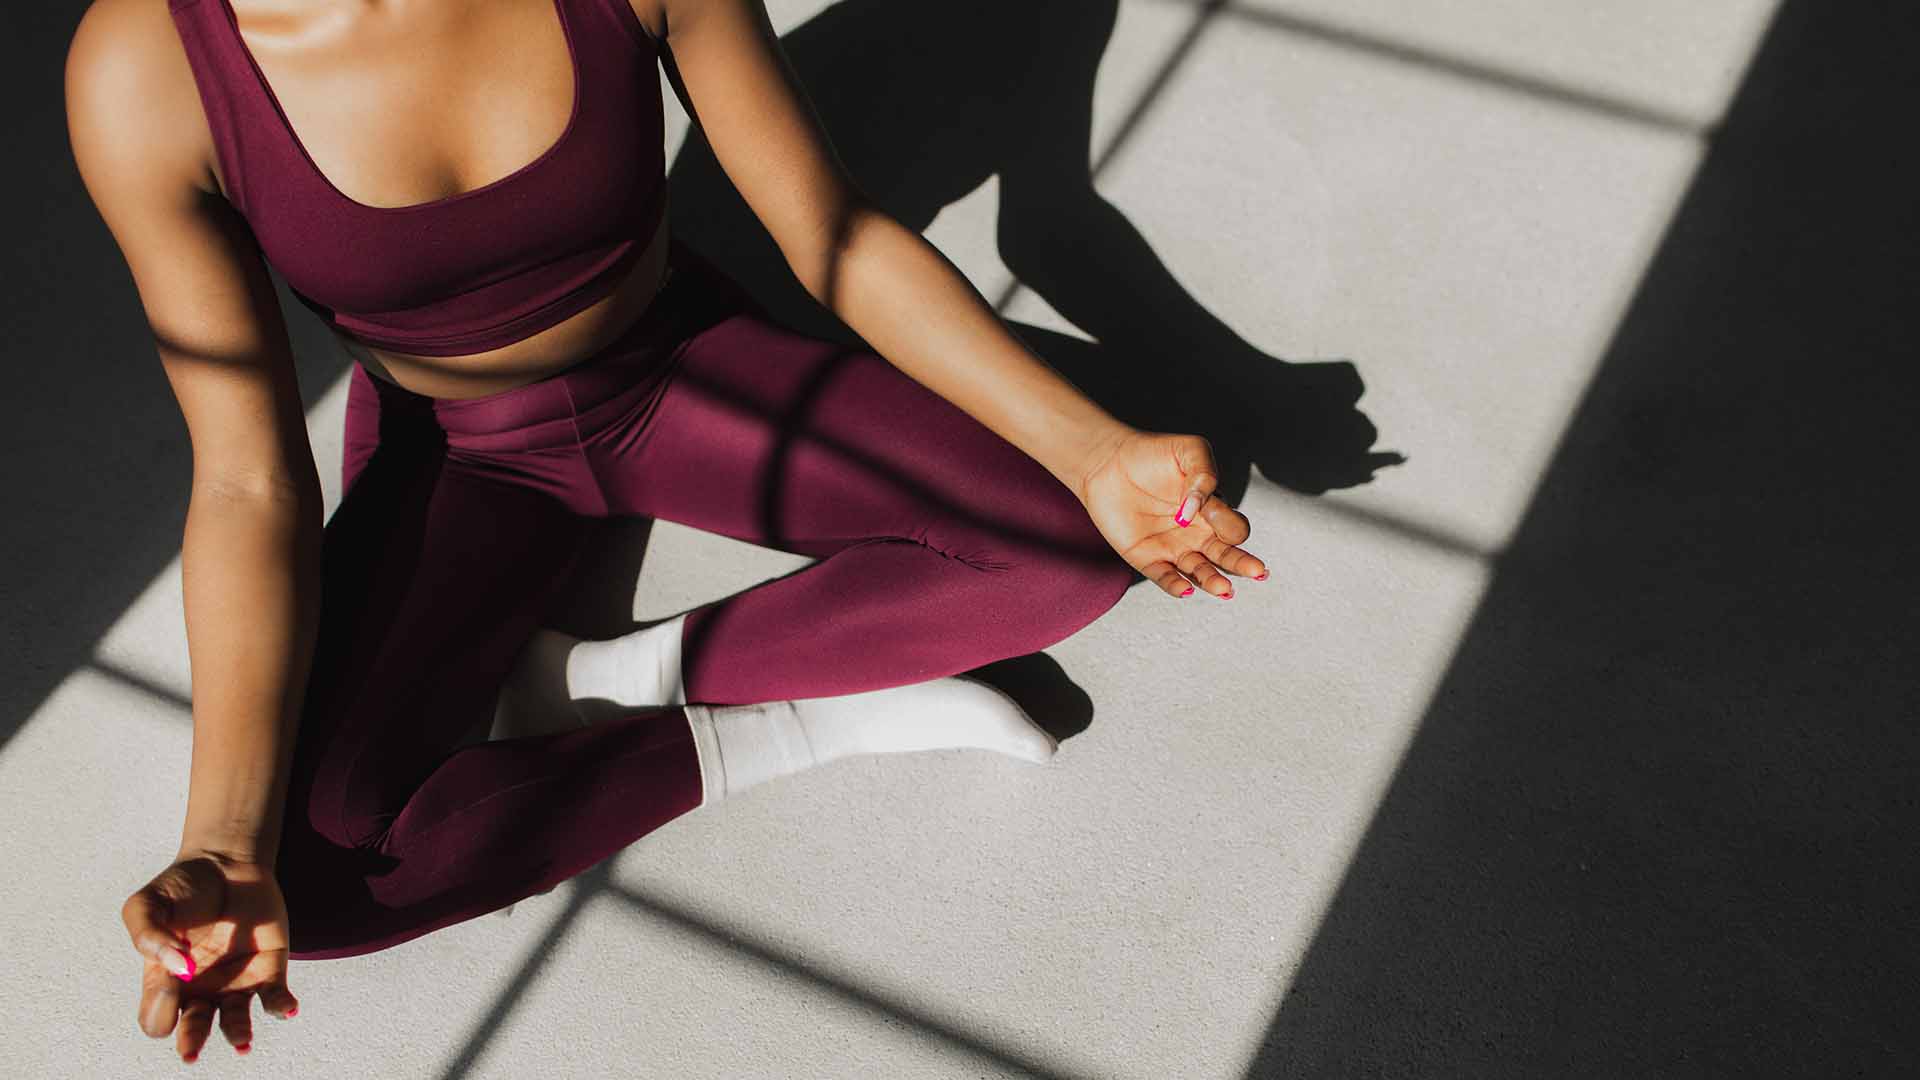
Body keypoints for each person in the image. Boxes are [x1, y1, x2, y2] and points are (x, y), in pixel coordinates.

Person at [64, 0, 1268, 1064]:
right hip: (455, 455)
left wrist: (1093, 450)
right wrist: (224, 839)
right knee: (308, 883)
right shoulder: (146, 67)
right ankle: (798, 729)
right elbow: (247, 482)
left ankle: (608, 678)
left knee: (1066, 548)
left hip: (679, 368)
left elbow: (833, 235)